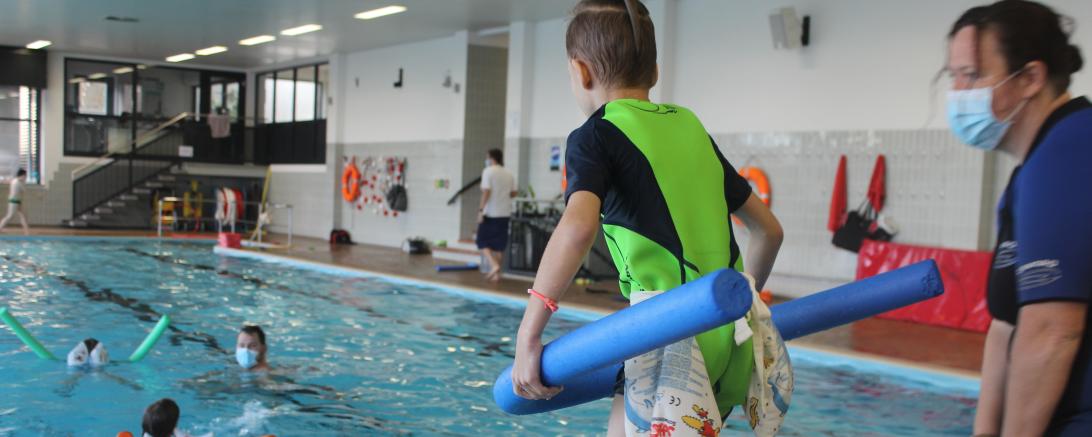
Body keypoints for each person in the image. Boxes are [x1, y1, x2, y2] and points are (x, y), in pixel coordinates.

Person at [508, 1, 784, 435]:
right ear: (653, 72)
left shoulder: (595, 135)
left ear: (581, 72)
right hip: (726, 337)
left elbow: (578, 227)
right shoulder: (690, 127)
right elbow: (769, 230)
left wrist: (528, 336)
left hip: (665, 337)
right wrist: (732, 300)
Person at [944, 2, 1090, 436]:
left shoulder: (1072, 149)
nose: (957, 92)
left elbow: (1051, 331)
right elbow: (1006, 326)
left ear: (1030, 78)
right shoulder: (1030, 172)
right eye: (952, 76)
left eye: (971, 75)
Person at [476, 148, 517, 282]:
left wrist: (481, 211)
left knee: (481, 241)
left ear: (492, 158)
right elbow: (513, 193)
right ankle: (496, 275)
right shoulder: (508, 173)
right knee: (499, 244)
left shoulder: (488, 171)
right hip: (504, 213)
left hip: (490, 213)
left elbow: (486, 192)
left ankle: (493, 265)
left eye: (487, 157)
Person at [0, 169, 30, 235]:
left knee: (23, 215)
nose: (26, 177)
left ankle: (27, 231)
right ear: (22, 175)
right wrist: (24, 182)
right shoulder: (16, 182)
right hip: (13, 201)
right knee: (9, 216)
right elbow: (24, 190)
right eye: (25, 176)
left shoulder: (17, 181)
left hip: (17, 201)